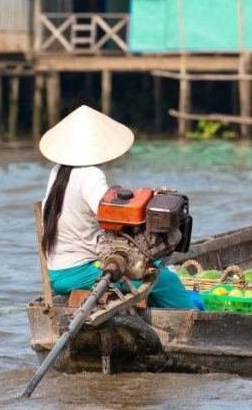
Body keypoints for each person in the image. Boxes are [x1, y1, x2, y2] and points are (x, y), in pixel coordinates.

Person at [39, 104, 202, 310]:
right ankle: (193, 318)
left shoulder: (58, 171)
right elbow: (111, 215)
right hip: (79, 271)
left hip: (58, 271)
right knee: (166, 280)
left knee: (149, 270)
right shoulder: (90, 174)